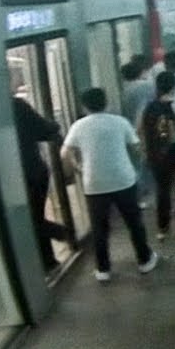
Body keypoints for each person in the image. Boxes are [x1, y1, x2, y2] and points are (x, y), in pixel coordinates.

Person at [61, 88, 158, 282]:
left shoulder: (78, 126)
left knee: (100, 228)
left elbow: (65, 153)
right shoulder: (120, 122)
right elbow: (136, 148)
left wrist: (78, 167)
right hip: (123, 179)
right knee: (134, 223)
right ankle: (144, 260)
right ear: (106, 102)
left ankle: (103, 270)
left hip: (94, 183)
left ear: (84, 106)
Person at [12, 97, 68, 270]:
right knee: (34, 217)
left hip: (9, 181)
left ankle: (48, 261)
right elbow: (44, 130)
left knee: (30, 220)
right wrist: (55, 126)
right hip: (33, 172)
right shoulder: (16, 105)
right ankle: (57, 239)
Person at [139, 72, 175, 243]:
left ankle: (163, 228)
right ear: (174, 86)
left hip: (156, 155)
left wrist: (145, 151)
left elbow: (140, 130)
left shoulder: (149, 107)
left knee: (163, 191)